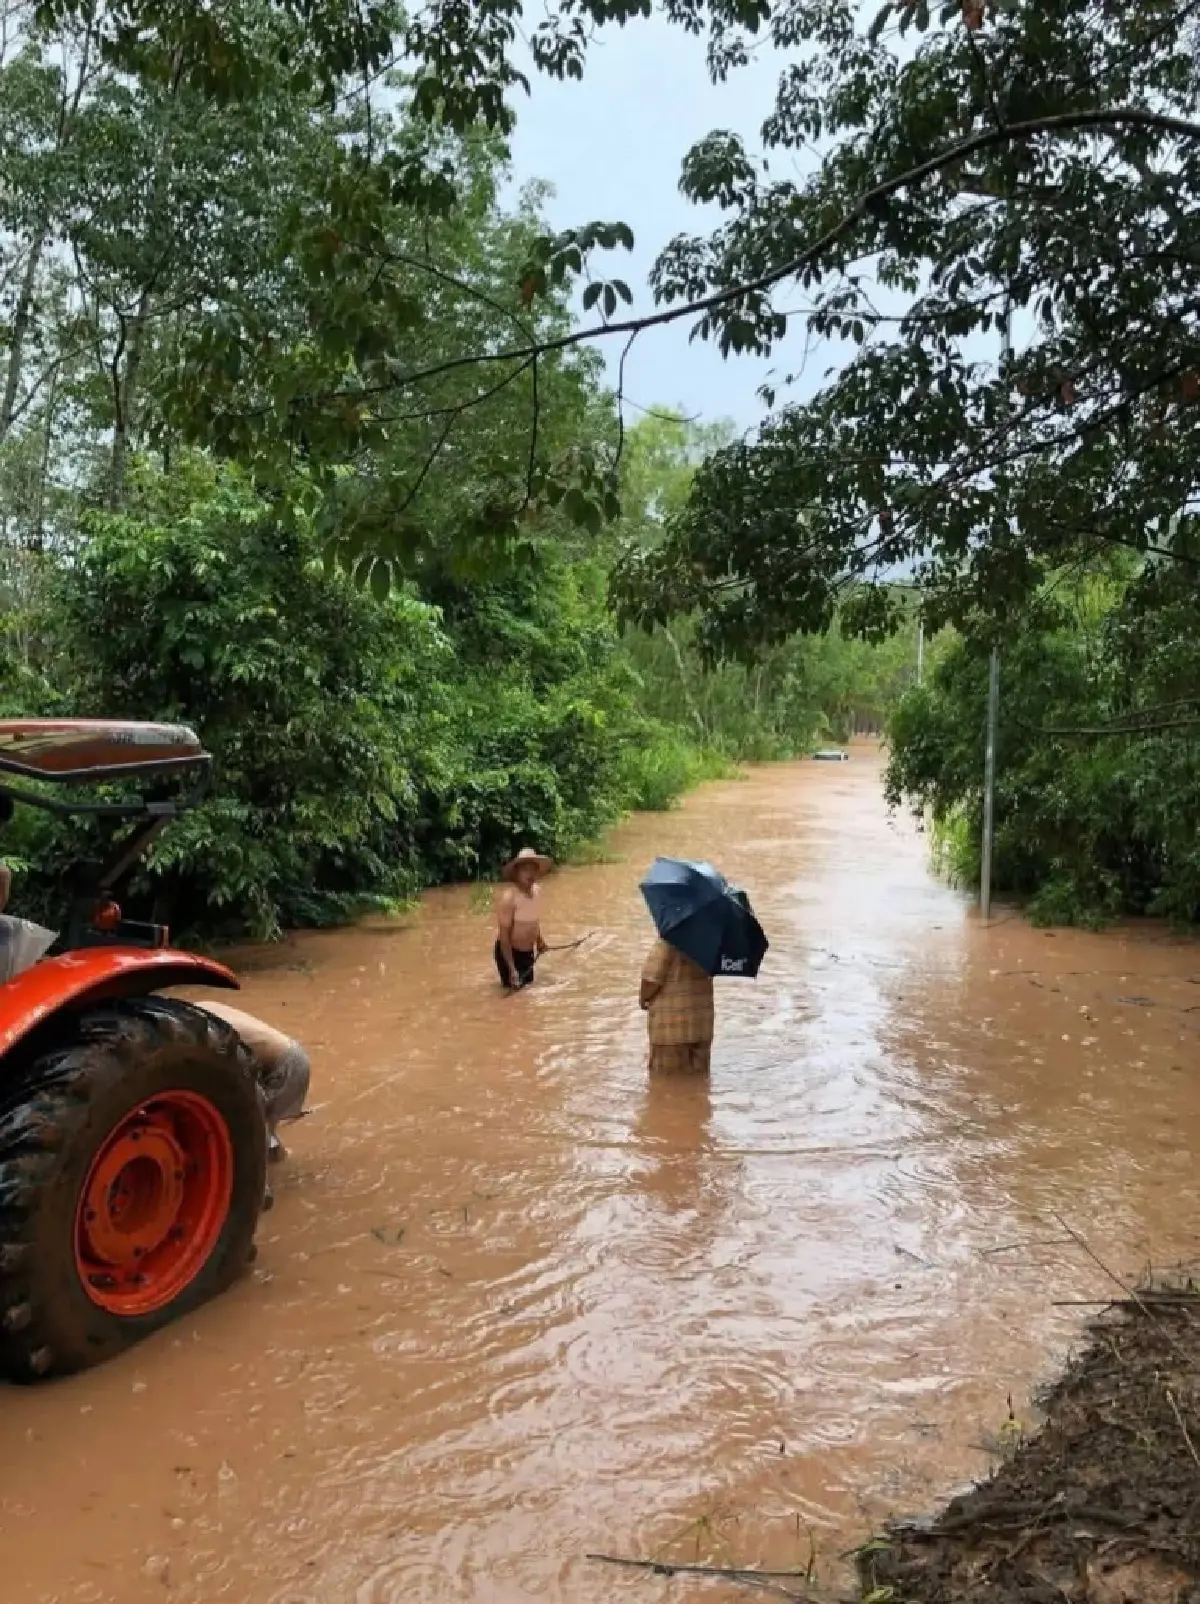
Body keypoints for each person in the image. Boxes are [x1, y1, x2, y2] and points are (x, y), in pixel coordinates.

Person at [193, 1000, 310, 1162]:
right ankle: (278, 1164)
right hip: (290, 1053)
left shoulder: (197, 1027)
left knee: (257, 1135)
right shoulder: (201, 1008)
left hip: (287, 1063)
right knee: (261, 1130)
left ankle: (269, 1177)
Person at [639, 935, 714, 1075]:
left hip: (671, 1030)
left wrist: (643, 999)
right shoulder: (710, 943)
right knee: (697, 1080)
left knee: (664, 1083)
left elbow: (651, 980)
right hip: (701, 1027)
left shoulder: (668, 940)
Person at [494, 847, 551, 990]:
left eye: (533, 869)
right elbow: (504, 936)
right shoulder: (509, 898)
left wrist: (539, 941)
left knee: (527, 992)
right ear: (516, 873)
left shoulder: (537, 891)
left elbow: (533, 921)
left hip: (527, 953)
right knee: (515, 993)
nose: (530, 874)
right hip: (509, 954)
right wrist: (512, 969)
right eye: (525, 870)